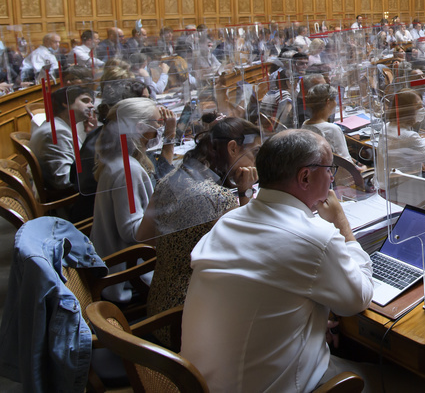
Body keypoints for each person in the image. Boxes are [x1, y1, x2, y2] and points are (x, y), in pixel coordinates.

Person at [181, 130, 374, 392]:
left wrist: (311, 322)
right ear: (305, 176)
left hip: (202, 382)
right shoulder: (316, 237)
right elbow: (358, 299)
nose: (331, 177)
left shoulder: (228, 221)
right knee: (401, 379)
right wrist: (341, 223)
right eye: (329, 169)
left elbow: (259, 294)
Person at [139, 117, 260, 332]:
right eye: (254, 153)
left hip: (158, 308)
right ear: (233, 148)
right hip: (190, 319)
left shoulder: (171, 178)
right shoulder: (218, 197)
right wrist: (245, 193)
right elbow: (249, 253)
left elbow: (144, 236)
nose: (255, 163)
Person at [90, 98, 175, 300]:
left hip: (112, 266)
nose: (160, 128)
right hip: (127, 278)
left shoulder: (117, 159)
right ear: (140, 127)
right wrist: (163, 200)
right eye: (157, 123)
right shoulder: (128, 171)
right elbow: (133, 232)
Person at [29, 86, 96, 193]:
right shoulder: (57, 132)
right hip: (69, 204)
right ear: (66, 103)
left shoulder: (59, 126)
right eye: (85, 101)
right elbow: (64, 180)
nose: (91, 106)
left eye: (91, 102)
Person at [384, 89, 425, 176]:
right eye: (418, 106)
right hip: (409, 185)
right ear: (406, 110)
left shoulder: (386, 127)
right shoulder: (409, 136)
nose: (423, 110)